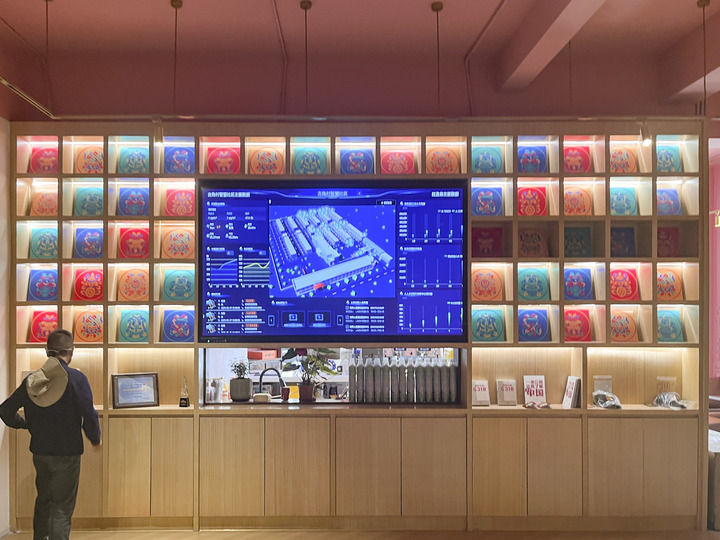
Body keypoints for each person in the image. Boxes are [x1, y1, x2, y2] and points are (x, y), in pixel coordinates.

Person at [0, 329, 101, 540]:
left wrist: (26, 425)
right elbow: (88, 413)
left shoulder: (33, 380)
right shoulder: (76, 379)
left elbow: (5, 411)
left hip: (40, 452)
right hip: (68, 453)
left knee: (44, 500)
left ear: (47, 351)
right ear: (71, 351)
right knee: (61, 508)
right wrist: (94, 438)